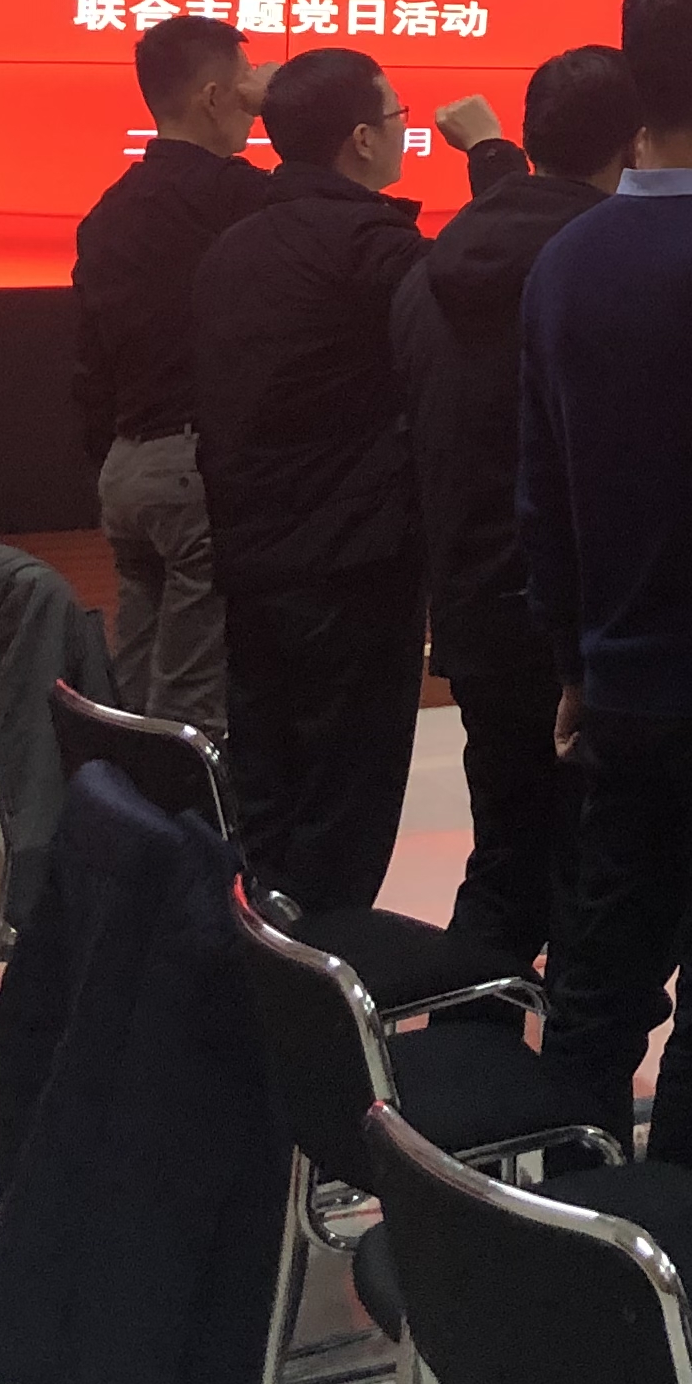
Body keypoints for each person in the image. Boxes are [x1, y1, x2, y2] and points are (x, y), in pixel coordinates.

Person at [520, 0, 692, 1186]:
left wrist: (573, 660)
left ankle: (561, 1223)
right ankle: (688, 1234)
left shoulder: (568, 257)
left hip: (619, 679)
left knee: (599, 978)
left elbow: (543, 492)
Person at [192, 48, 519, 918]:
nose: (407, 132)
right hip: (351, 565)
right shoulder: (365, 246)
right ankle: (321, 984)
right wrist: (493, 156)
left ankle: (257, 963)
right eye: (399, 117)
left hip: (253, 555)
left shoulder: (235, 244)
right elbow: (493, 282)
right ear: (363, 140)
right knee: (344, 802)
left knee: (268, 788)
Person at [391, 44, 638, 966]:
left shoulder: (433, 267)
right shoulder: (606, 270)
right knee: (590, 873)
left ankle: (476, 1026)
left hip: (471, 603)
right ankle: (550, 1050)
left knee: (506, 848)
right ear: (636, 143)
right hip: (577, 621)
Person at [69, 11, 273, 735]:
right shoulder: (235, 198)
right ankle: (184, 813)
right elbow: (328, 199)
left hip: (128, 469)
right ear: (215, 98)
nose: (255, 101)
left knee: (135, 695)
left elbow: (90, 365)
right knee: (194, 710)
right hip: (193, 469)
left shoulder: (109, 210)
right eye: (247, 86)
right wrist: (290, 107)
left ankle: (126, 803)